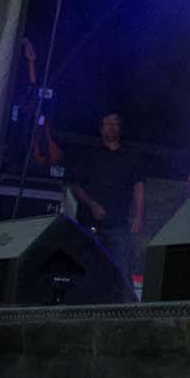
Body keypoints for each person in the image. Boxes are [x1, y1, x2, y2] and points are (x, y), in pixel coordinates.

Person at [68, 110, 145, 275]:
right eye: (108, 124)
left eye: (116, 124)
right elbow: (76, 186)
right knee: (86, 270)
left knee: (120, 272)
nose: (112, 127)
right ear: (101, 128)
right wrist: (92, 205)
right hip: (89, 224)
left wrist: (138, 215)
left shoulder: (131, 156)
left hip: (119, 226)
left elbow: (138, 186)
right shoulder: (89, 154)